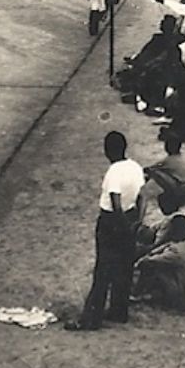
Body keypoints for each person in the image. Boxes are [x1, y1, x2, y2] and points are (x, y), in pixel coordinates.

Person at [66, 131, 143, 332]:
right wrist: (137, 221)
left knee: (103, 270)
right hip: (132, 216)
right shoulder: (135, 167)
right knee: (125, 267)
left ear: (107, 151)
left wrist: (123, 225)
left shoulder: (113, 172)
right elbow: (142, 196)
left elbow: (115, 202)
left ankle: (91, 319)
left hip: (112, 222)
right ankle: (119, 310)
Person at [134, 213, 185, 315]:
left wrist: (141, 260)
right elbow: (167, 246)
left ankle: (138, 293)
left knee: (153, 267)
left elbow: (149, 261)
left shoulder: (176, 253)